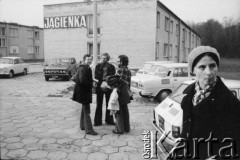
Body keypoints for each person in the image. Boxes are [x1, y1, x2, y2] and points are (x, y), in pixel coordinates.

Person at [175, 46, 240, 159]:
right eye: (202, 67)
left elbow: (236, 142)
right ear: (192, 70)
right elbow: (186, 129)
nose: (208, 72)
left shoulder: (230, 102)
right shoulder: (189, 95)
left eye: (212, 66)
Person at [72, 54, 97, 135]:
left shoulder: (86, 67)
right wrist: (91, 84)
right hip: (83, 92)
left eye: (90, 59)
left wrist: (93, 81)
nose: (89, 61)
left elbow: (86, 79)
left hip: (83, 92)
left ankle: (83, 126)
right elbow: (83, 81)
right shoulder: (83, 68)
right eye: (88, 59)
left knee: (84, 110)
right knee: (87, 112)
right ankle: (89, 130)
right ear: (84, 60)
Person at [94, 53, 116, 126]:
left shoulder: (112, 67)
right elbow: (96, 76)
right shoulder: (97, 66)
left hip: (108, 86)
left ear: (108, 59)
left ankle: (109, 120)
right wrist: (102, 81)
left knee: (109, 104)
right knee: (99, 104)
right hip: (100, 86)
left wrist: (107, 82)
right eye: (102, 58)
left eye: (105, 58)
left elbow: (113, 76)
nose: (103, 59)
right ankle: (97, 121)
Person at [112, 55, 132, 134]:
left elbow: (119, 82)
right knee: (125, 110)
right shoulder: (128, 70)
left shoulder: (120, 70)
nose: (117, 62)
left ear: (122, 61)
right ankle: (126, 127)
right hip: (126, 92)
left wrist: (111, 84)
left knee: (118, 110)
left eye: (118, 61)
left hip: (120, 92)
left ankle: (119, 129)